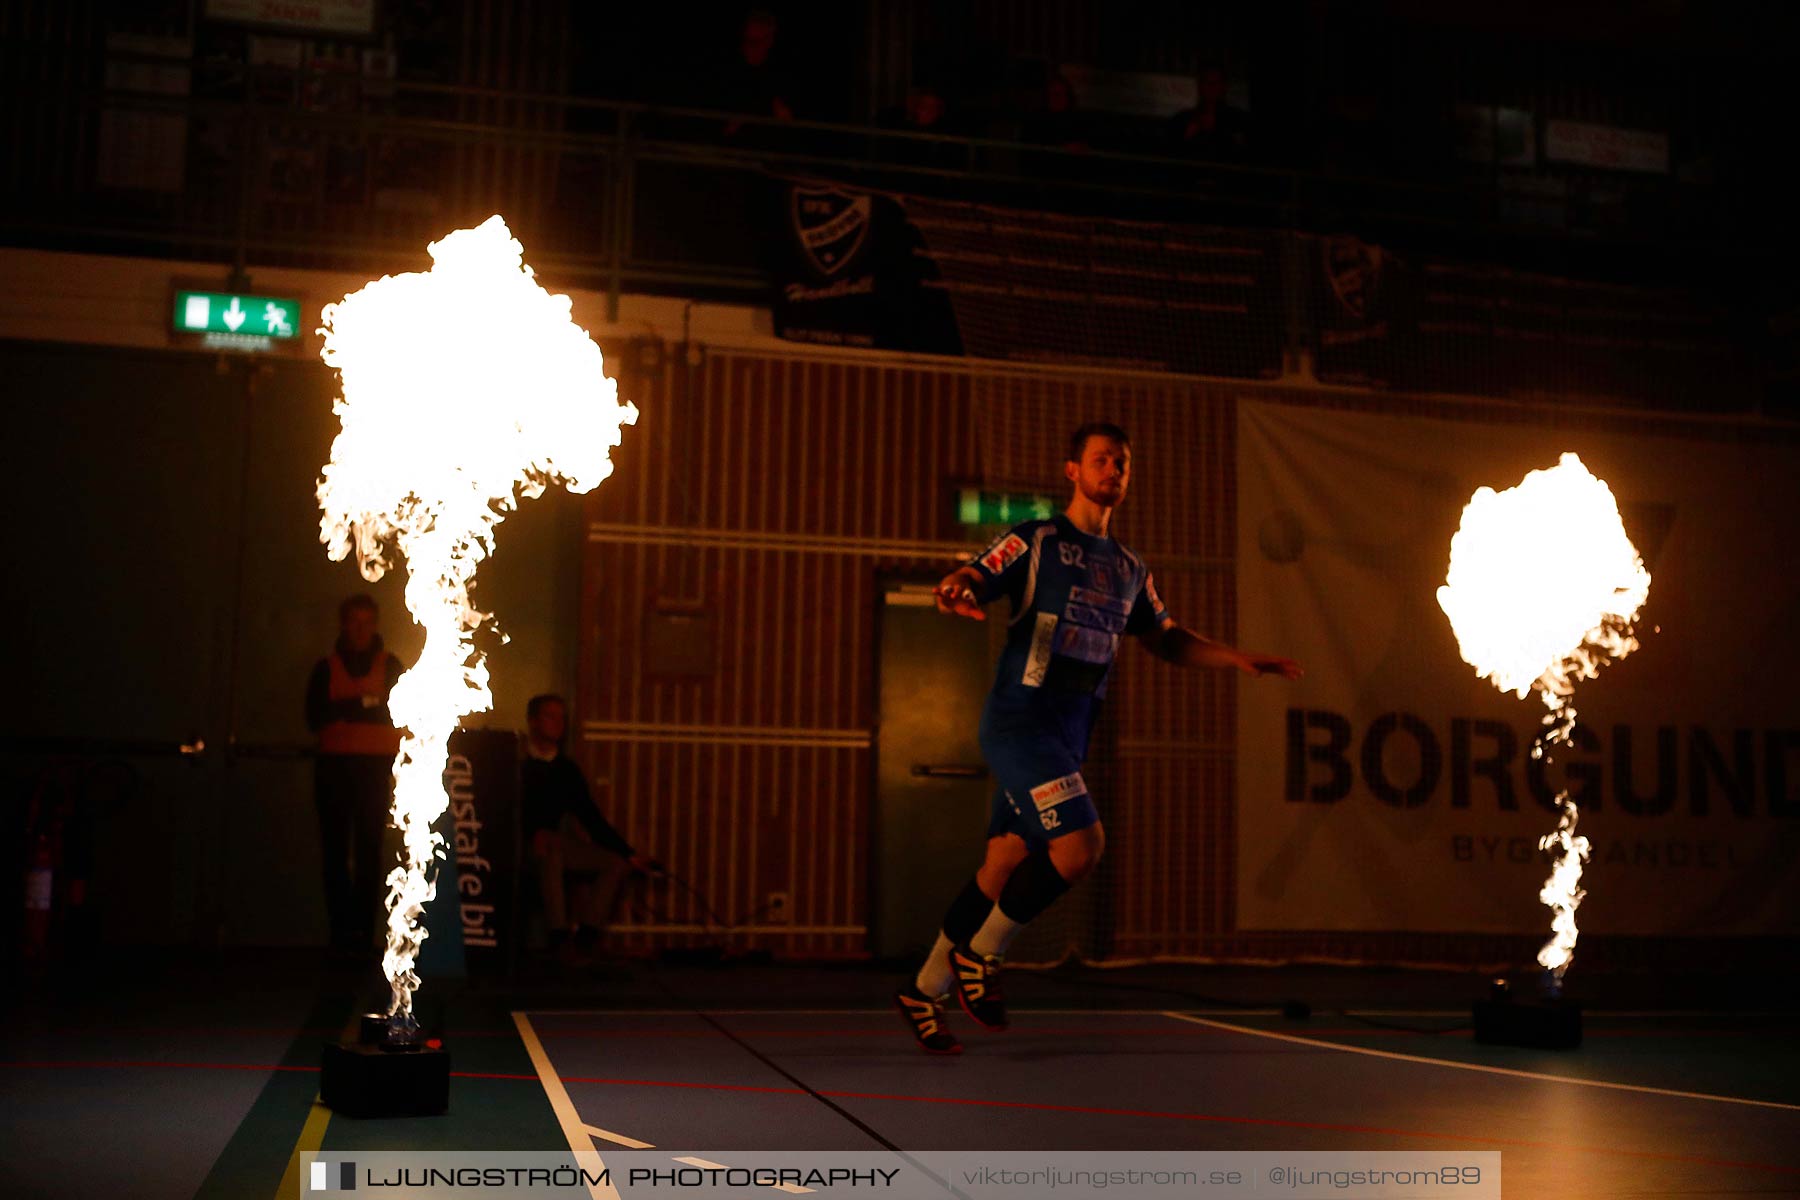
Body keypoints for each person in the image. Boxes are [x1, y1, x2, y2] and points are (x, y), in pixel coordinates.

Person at [893, 423, 1303, 1053]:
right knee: (1081, 847)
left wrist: (1238, 659)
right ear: (1072, 472)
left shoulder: (1131, 569)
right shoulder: (1036, 540)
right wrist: (957, 590)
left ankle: (923, 990)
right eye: (1101, 460)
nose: (1114, 469)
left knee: (1001, 867)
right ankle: (981, 956)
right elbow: (974, 574)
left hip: (1065, 737)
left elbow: (1168, 639)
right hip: (1018, 725)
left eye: (1123, 462)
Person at [521, 694, 658, 967]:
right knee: (551, 852)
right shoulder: (518, 762)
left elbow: (589, 815)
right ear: (534, 722)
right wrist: (532, 833)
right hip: (524, 844)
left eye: (562, 718)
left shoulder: (566, 769)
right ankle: (558, 938)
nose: (558, 723)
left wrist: (627, 853)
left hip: (555, 843)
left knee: (614, 863)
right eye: (551, 716)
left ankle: (586, 937)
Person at [305, 593, 406, 957]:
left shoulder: (391, 665)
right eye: (354, 621)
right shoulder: (326, 667)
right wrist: (367, 704)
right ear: (344, 625)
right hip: (334, 769)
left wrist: (345, 709)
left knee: (369, 850)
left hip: (376, 770)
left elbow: (398, 712)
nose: (361, 629)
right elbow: (316, 717)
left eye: (368, 621)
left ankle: (363, 932)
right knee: (334, 852)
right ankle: (340, 932)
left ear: (376, 624)